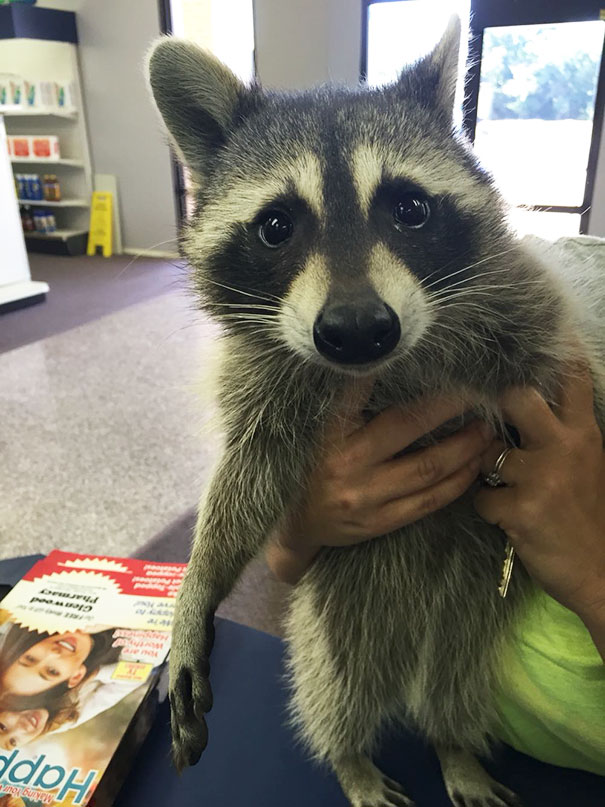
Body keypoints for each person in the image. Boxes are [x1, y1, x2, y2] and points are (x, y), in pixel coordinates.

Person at [266, 365, 605, 774]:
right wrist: (296, 528)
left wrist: (591, 582)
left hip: (533, 743)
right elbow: (286, 559)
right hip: (406, 668)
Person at [0, 626, 120, 698]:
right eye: (52, 671)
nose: (53, 653)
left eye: (30, 658)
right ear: (76, 676)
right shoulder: (126, 644)